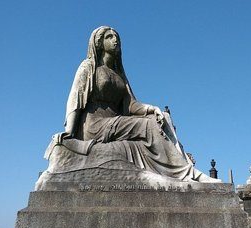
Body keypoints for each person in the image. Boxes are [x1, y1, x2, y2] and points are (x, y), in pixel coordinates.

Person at [61, 26, 217, 183]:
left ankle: (184, 172)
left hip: (116, 123)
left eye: (117, 37)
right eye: (109, 37)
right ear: (99, 43)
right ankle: (188, 174)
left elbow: (130, 105)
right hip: (95, 125)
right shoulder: (89, 67)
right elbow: (75, 97)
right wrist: (69, 132)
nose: (115, 40)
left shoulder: (119, 74)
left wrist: (152, 108)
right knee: (148, 126)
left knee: (160, 119)